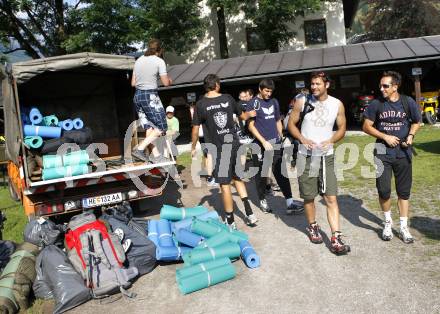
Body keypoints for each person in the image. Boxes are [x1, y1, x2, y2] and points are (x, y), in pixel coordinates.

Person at [288, 71, 350, 255]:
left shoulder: (337, 104)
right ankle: (312, 226)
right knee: (308, 197)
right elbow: (291, 124)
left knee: (330, 197)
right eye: (312, 84)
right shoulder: (302, 101)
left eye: (318, 84)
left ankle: (336, 238)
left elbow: (342, 128)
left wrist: (331, 140)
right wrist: (301, 138)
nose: (314, 87)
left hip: (326, 156)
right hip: (305, 156)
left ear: (327, 85)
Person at [362, 71, 421, 244]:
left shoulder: (407, 102)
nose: (382, 89)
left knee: (403, 192)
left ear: (395, 87)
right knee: (384, 190)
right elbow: (366, 126)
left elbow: (417, 121)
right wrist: (385, 136)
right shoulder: (376, 104)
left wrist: (410, 136)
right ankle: (388, 223)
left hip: (403, 154)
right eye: (381, 85)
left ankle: (403, 227)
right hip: (382, 152)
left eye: (385, 86)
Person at [191, 74, 258, 228]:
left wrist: (193, 147)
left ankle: (230, 222)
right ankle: (250, 214)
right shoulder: (228, 98)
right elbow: (242, 116)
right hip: (233, 145)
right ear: (217, 85)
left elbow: (195, 130)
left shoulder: (200, 105)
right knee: (238, 178)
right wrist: (251, 114)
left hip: (219, 149)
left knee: (225, 185)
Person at [247, 79, 304, 215]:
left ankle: (290, 203)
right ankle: (262, 201)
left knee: (281, 172)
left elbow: (277, 120)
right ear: (260, 89)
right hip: (259, 145)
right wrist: (263, 141)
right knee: (261, 175)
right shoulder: (253, 103)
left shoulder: (274, 102)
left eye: (271, 91)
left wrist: (281, 136)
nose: (269, 93)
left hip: (275, 142)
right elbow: (250, 125)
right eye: (266, 91)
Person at [131, 39, 172, 163]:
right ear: (160, 50)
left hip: (138, 96)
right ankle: (140, 148)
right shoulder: (159, 61)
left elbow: (133, 83)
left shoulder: (138, 60)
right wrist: (169, 80)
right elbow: (165, 83)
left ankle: (156, 155)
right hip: (150, 97)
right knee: (162, 126)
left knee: (149, 126)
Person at [190, 102, 217, 187]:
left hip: (203, 135)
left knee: (207, 155)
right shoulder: (200, 112)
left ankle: (210, 174)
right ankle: (210, 177)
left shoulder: (198, 112)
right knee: (209, 155)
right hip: (205, 135)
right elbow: (196, 128)